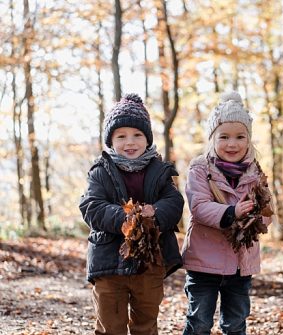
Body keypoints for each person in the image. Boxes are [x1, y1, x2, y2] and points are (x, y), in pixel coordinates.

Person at [79, 93, 184, 335]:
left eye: (138, 135)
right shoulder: (100, 171)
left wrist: (154, 213)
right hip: (109, 263)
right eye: (121, 136)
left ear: (147, 139)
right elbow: (91, 206)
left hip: (149, 262)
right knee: (110, 325)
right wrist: (125, 217)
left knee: (146, 323)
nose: (130, 142)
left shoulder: (160, 170)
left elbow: (174, 202)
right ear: (110, 140)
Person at [182, 92, 272, 335]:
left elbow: (268, 212)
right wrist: (232, 212)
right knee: (199, 321)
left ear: (249, 140)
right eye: (224, 137)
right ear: (212, 139)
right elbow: (199, 207)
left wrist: (257, 216)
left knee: (235, 323)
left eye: (240, 137)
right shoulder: (200, 169)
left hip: (240, 265)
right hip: (204, 261)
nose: (232, 144)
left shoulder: (255, 172)